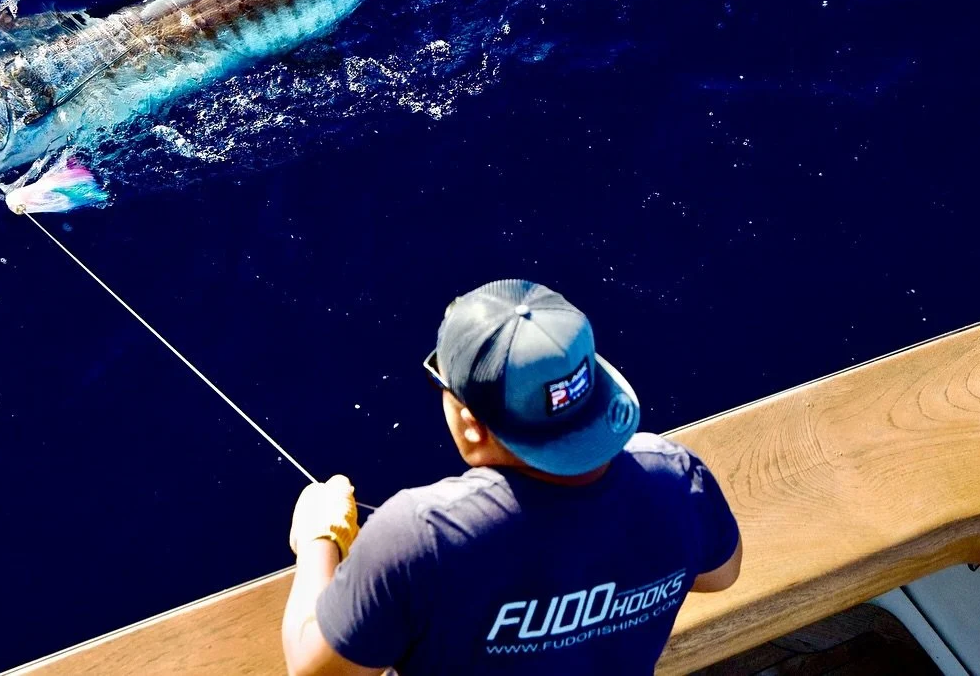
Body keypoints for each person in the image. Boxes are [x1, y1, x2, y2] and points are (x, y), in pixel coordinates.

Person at [281, 279, 742, 675]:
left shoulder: (417, 537)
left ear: (470, 424)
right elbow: (722, 574)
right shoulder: (678, 478)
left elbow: (313, 668)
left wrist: (319, 537)